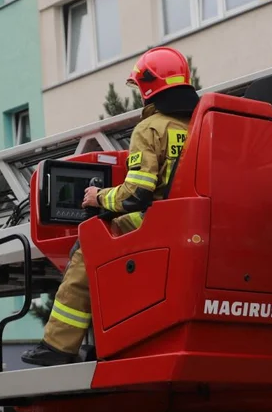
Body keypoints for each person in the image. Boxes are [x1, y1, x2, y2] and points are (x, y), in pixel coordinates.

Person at [22, 47, 200, 367]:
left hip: (158, 222)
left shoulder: (151, 128)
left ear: (148, 86)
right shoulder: (200, 125)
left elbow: (137, 194)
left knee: (88, 246)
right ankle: (110, 338)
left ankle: (58, 346)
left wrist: (98, 198)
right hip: (194, 224)